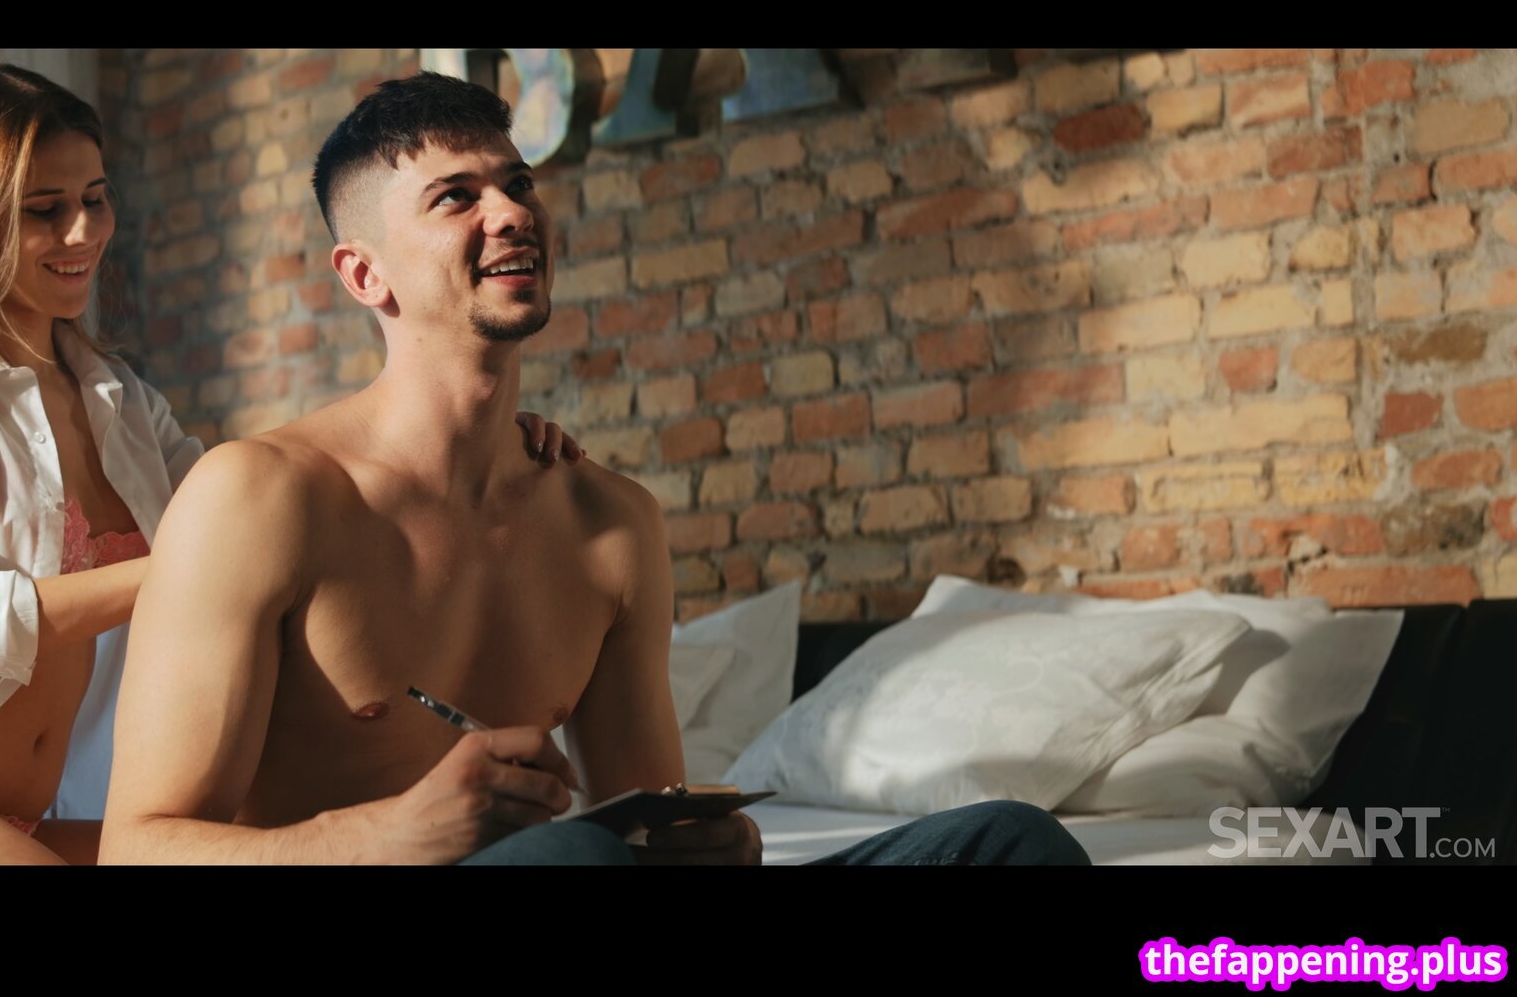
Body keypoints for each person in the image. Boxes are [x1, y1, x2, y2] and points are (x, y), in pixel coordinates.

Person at [99, 71, 1091, 866]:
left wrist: (712, 843)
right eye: (457, 197)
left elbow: (643, 821)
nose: (510, 212)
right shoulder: (259, 497)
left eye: (518, 184)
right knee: (570, 854)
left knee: (1009, 841)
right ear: (366, 274)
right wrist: (391, 837)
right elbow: (136, 849)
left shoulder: (608, 522)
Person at [0, 64, 580, 865]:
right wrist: (184, 573)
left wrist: (477, 444)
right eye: (44, 210)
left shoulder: (124, 404)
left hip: (20, 815)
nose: (83, 232)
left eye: (95, 198)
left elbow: (273, 504)